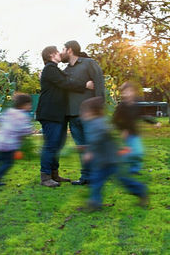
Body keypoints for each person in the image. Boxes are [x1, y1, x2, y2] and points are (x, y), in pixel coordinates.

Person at [36, 46, 94, 187]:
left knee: (57, 145)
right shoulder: (50, 68)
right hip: (50, 113)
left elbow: (66, 79)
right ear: (51, 55)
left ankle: (54, 174)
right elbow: (66, 82)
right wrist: (84, 85)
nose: (59, 54)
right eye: (57, 52)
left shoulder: (55, 69)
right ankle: (45, 176)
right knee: (50, 145)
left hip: (58, 114)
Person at [80, 97, 148, 210]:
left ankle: (141, 190)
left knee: (123, 180)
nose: (82, 114)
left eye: (84, 111)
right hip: (102, 161)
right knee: (96, 181)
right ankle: (95, 203)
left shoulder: (98, 123)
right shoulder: (93, 123)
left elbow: (99, 137)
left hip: (112, 160)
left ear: (92, 112)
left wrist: (89, 151)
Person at [60, 40, 105, 185]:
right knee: (82, 148)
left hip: (90, 115)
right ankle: (85, 177)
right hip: (72, 115)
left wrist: (99, 107)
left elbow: (99, 83)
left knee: (93, 146)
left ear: (70, 50)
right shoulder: (65, 71)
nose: (61, 52)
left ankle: (97, 176)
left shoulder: (88, 63)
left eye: (63, 49)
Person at [113, 81, 161, 174]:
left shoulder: (137, 103)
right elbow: (115, 120)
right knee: (134, 152)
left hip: (135, 132)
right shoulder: (121, 106)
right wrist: (123, 130)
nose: (127, 94)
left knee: (137, 152)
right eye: (124, 92)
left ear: (133, 92)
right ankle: (117, 161)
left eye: (129, 91)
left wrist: (154, 122)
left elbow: (143, 115)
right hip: (127, 134)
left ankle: (134, 170)